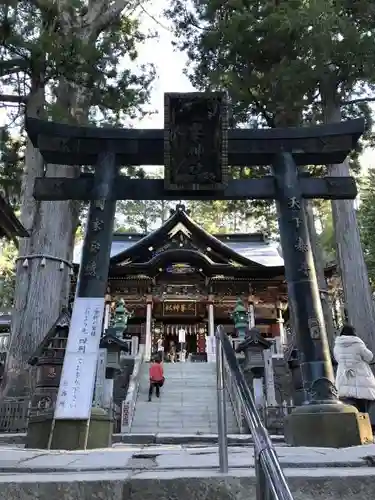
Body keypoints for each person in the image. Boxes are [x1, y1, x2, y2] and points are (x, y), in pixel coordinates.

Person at [333, 324, 375, 413]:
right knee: (364, 409)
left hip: (344, 380)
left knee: (351, 409)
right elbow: (369, 357)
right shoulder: (358, 344)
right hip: (361, 380)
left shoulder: (337, 346)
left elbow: (337, 359)